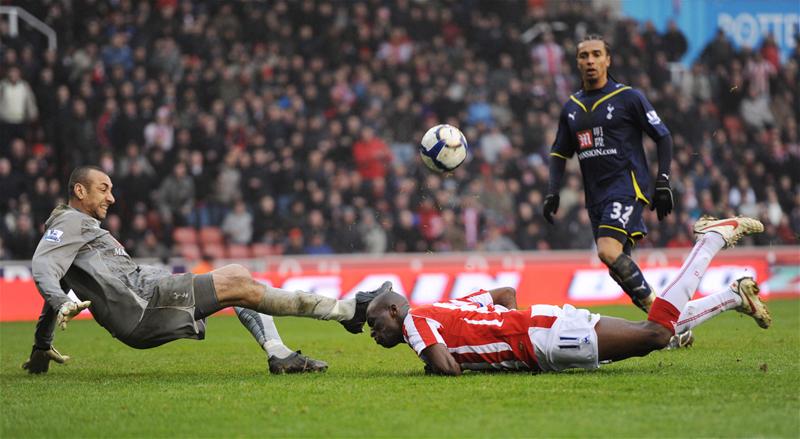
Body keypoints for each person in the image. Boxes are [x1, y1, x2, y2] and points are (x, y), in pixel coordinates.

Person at [22, 166, 386, 374]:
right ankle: (348, 312)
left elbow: (61, 275)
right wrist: (58, 300)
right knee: (236, 281)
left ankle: (279, 353)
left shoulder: (75, 229)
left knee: (237, 278)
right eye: (104, 189)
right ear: (79, 190)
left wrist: (42, 345)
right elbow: (43, 266)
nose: (112, 197)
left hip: (150, 296)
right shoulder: (68, 222)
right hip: (145, 307)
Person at [365, 216, 770, 375]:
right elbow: (505, 293)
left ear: (396, 310)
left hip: (543, 339)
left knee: (655, 335)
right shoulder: (440, 310)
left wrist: (517, 336)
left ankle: (711, 240)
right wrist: (512, 329)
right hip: (542, 331)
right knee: (649, 335)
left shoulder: (416, 321)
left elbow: (448, 369)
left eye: (374, 322)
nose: (372, 333)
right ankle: (734, 296)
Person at [543, 35, 674, 317]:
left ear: (607, 60)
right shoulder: (571, 107)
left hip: (627, 186)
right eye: (584, 56)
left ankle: (663, 320)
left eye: (596, 54)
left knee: (606, 250)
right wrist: (553, 191)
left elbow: (662, 137)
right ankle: (676, 324)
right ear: (577, 63)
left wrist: (662, 181)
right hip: (595, 197)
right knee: (617, 266)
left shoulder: (628, 97)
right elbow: (558, 153)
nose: (590, 60)